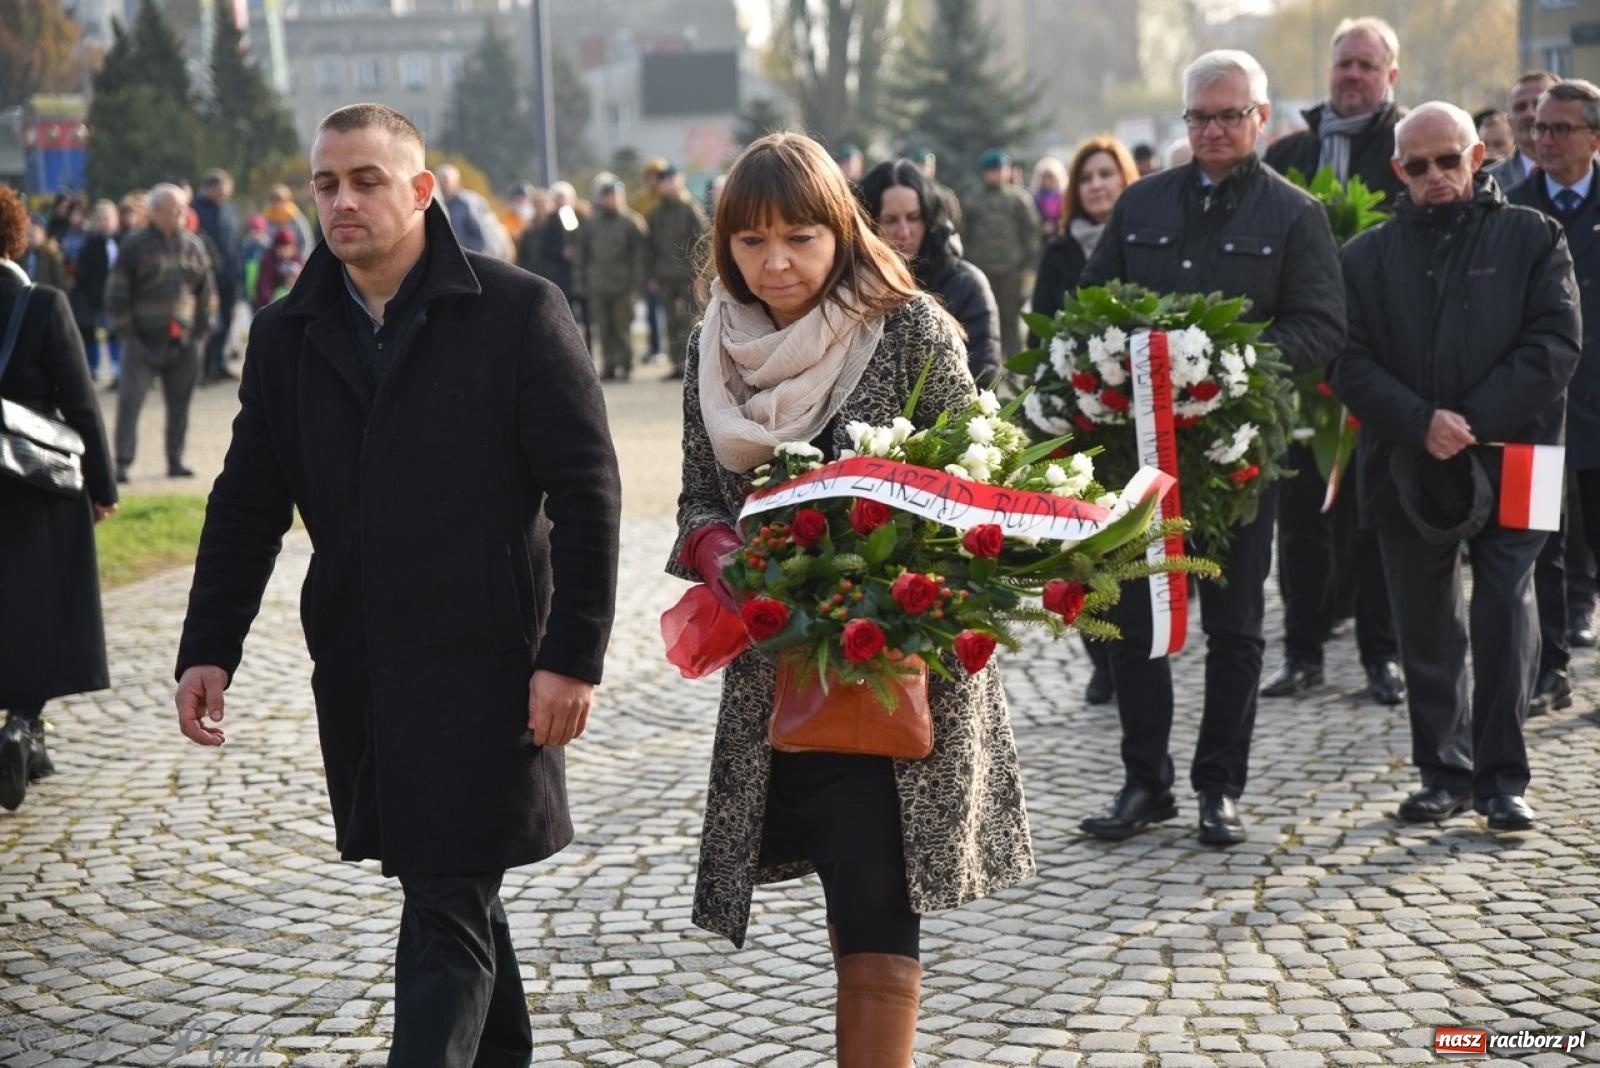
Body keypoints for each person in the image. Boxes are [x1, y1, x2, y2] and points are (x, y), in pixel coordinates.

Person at [173, 103, 621, 1065]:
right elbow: (246, 504)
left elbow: (589, 496)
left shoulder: (518, 310)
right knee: (449, 888)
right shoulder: (286, 335)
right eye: (326, 184)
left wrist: (571, 658)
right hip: (366, 665)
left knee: (446, 899)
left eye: (366, 179)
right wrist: (209, 646)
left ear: (422, 190)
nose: (342, 200)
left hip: (492, 668)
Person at [670, 132, 1035, 1065]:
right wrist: (721, 552)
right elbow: (700, 495)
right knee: (848, 877)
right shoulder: (714, 345)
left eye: (798, 236)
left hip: (895, 656)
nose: (776, 263)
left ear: (840, 229)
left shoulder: (906, 325)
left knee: (878, 886)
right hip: (779, 658)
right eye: (751, 243)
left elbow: (968, 478)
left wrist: (887, 567)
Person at [1078, 50, 1346, 846]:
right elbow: (1089, 304)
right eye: (1201, 116)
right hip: (1141, 459)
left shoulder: (1295, 214)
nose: (1215, 129)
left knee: (1235, 627)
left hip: (1237, 454)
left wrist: (1234, 369)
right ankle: (1143, 783)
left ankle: (1218, 787)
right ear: (1184, 121)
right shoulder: (1141, 202)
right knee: (1136, 621)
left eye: (1231, 115)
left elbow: (1324, 325)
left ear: (1262, 119)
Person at [1332, 102, 1579, 832]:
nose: (1436, 175)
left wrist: (1470, 419)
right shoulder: (1365, 257)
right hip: (1411, 459)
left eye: (1450, 160)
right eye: (1419, 165)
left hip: (1521, 453)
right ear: (1398, 171)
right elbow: (1347, 359)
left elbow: (1556, 344)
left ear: (1479, 158)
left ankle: (1504, 778)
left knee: (1506, 606)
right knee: (1427, 621)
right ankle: (1444, 770)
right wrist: (1420, 421)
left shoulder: (1535, 235)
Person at [1260, 16, 1405, 706]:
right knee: (1302, 520)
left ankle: (1383, 654)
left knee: (1376, 514)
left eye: (1366, 66)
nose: (1352, 76)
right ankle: (1302, 651)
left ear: (1390, 78)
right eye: (1343, 63)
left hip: (1384, 365)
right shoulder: (1289, 153)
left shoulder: (1410, 152)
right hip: (1302, 366)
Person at [0, 185, 118, 812]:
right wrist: (102, 488)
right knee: (38, 607)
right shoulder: (41, 304)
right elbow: (81, 403)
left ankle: (31, 741)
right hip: (34, 481)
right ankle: (21, 723)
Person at [1029, 135, 1140, 708]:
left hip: (1134, 417)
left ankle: (1134, 653)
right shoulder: (1059, 253)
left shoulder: (1141, 242)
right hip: (1074, 416)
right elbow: (1040, 334)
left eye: (1107, 174)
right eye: (1088, 177)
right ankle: (1101, 656)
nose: (1098, 185)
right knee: (1083, 543)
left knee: (1132, 541)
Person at [1508, 79, 1600, 717]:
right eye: (1539, 127)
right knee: (1536, 546)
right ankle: (1549, 669)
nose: (1545, 140)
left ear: (1595, 137)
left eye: (1560, 129)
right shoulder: (1510, 209)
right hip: (1532, 415)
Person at [105, 184, 217, 483]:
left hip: (183, 340)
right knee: (130, 403)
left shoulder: (194, 244)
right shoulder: (133, 246)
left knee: (180, 403)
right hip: (141, 342)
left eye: (183, 208)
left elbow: (206, 292)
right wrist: (128, 333)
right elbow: (116, 293)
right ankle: (123, 463)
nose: (182, 214)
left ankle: (175, 460)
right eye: (174, 208)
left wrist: (201, 332)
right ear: (155, 211)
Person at [860, 157, 1002, 385]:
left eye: (914, 218)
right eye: (890, 220)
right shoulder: (850, 286)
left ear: (929, 219)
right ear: (868, 224)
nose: (904, 232)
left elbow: (982, 380)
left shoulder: (966, 284)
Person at [961, 147, 1041, 360]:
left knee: (1010, 321)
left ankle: (1014, 367)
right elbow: (963, 233)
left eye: (1001, 169)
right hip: (981, 270)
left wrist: (1029, 266)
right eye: (993, 169)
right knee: (983, 320)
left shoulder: (1019, 199)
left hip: (1011, 271)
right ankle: (986, 367)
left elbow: (1031, 233)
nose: (997, 173)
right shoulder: (972, 199)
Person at [576, 178, 648, 381]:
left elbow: (639, 256)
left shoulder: (631, 222)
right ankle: (609, 365)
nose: (612, 200)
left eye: (615, 195)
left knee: (622, 326)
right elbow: (582, 255)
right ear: (601, 198)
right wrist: (581, 282)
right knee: (603, 327)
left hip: (623, 284)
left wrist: (637, 283)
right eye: (607, 196)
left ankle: (625, 364)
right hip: (598, 284)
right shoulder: (591, 224)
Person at [646, 164, 708, 379]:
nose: (668, 185)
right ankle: (676, 364)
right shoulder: (656, 213)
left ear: (680, 181)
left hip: (687, 275)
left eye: (672, 180)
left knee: (689, 320)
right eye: (664, 181)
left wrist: (700, 273)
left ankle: (689, 364)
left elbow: (702, 241)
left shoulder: (690, 208)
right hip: (664, 275)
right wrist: (651, 275)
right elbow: (650, 246)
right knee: (671, 321)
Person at [195, 169, 242, 384]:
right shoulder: (196, 210)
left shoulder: (229, 208)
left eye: (226, 191)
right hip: (209, 275)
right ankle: (204, 368)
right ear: (209, 189)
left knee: (227, 318)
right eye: (220, 191)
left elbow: (235, 239)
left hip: (230, 274)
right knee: (210, 322)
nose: (224, 195)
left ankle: (219, 363)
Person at [70, 200, 120, 385]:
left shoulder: (122, 241)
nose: (104, 222)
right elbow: (83, 273)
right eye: (100, 219)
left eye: (107, 218)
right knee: (91, 333)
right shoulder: (90, 245)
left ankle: (117, 371)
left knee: (115, 334)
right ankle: (93, 369)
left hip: (117, 298)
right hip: (94, 298)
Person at [1487, 71, 1561, 193]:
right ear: (1509, 121)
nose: (1529, 114)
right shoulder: (1486, 183)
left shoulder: (1592, 176)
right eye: (1520, 107)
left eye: (1539, 104)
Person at [435, 163, 513, 261]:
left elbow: (482, 236)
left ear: (456, 181)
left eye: (445, 180)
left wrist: (476, 262)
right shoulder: (442, 204)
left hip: (473, 260)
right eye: (439, 180)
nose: (442, 184)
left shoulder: (466, 203)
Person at [23, 215, 70, 291]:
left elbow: (60, 281)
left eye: (34, 230)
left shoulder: (51, 253)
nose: (30, 233)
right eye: (28, 230)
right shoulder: (21, 253)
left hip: (43, 295)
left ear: (43, 233)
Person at [264, 183, 313, 255]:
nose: (276, 204)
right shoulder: (267, 218)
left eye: (279, 200)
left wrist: (303, 261)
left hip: (296, 261)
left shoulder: (296, 217)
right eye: (273, 200)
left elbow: (306, 240)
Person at [1031, 156, 1068, 239]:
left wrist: (1056, 225)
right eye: (1043, 177)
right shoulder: (1035, 199)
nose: (1047, 181)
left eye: (1050, 177)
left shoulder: (1064, 198)